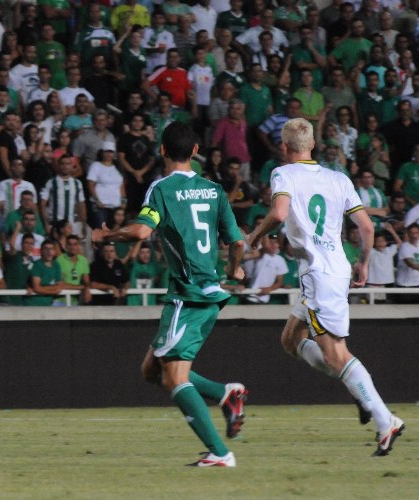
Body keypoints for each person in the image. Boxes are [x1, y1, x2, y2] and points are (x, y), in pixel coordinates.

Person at [92, 122, 248, 467]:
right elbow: (236, 241)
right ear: (195, 152)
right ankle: (226, 394)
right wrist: (235, 269)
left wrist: (106, 237)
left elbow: (140, 231)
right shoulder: (213, 190)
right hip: (207, 291)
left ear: (161, 150)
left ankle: (221, 454)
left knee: (174, 377)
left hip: (189, 295)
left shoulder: (161, 188)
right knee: (152, 370)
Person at [248, 117, 405, 457]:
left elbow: (277, 213)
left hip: (319, 275)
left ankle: (384, 419)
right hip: (331, 269)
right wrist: (362, 262)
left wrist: (254, 236)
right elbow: (365, 226)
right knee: (291, 339)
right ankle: (357, 388)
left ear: (284, 148)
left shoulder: (283, 173)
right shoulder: (338, 178)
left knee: (337, 354)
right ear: (313, 146)